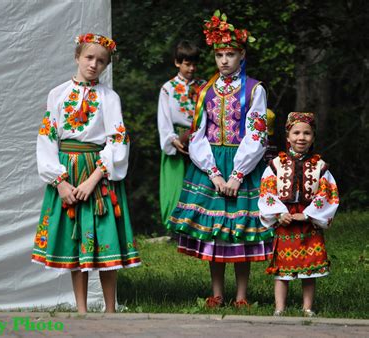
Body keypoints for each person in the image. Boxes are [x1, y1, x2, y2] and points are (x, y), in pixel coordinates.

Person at [166, 10, 274, 308]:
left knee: (240, 232)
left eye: (230, 54)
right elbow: (198, 134)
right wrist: (214, 173)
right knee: (215, 234)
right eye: (219, 55)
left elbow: (257, 134)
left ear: (241, 55)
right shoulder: (205, 90)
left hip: (244, 164)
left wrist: (238, 174)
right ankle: (216, 293)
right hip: (212, 164)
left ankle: (241, 296)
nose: (224, 60)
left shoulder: (255, 89)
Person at [31, 33, 141, 313]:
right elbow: (47, 138)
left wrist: (95, 179)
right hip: (67, 172)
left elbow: (118, 139)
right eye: (89, 57)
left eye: (101, 61)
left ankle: (110, 310)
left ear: (106, 66)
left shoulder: (110, 98)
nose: (94, 64)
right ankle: (81, 310)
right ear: (77, 57)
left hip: (97, 173)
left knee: (106, 239)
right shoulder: (57, 94)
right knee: (74, 239)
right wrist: (60, 182)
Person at [258, 112, 339, 317]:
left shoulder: (320, 166)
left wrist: (309, 214)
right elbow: (267, 190)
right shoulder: (276, 165)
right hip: (285, 220)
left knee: (309, 268)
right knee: (282, 270)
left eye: (307, 133)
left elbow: (328, 192)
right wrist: (278, 213)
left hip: (308, 222)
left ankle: (308, 308)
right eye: (296, 132)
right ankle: (279, 308)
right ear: (287, 136)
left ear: (313, 137)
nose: (301, 137)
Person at [157, 41, 206, 225]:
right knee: (175, 185)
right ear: (177, 63)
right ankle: (174, 225)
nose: (191, 68)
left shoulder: (204, 87)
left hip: (200, 138)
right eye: (187, 64)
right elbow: (163, 118)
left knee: (199, 183)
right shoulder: (168, 88)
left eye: (194, 64)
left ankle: (197, 223)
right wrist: (172, 139)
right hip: (176, 139)